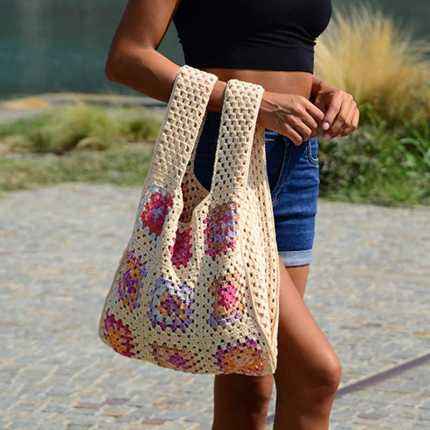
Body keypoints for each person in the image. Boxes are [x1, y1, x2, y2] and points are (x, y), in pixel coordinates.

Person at [104, 1, 360, 429]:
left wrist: (324, 91)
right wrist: (251, 103)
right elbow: (127, 57)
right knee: (315, 376)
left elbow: (271, 48)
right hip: (223, 157)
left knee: (250, 376)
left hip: (296, 161)